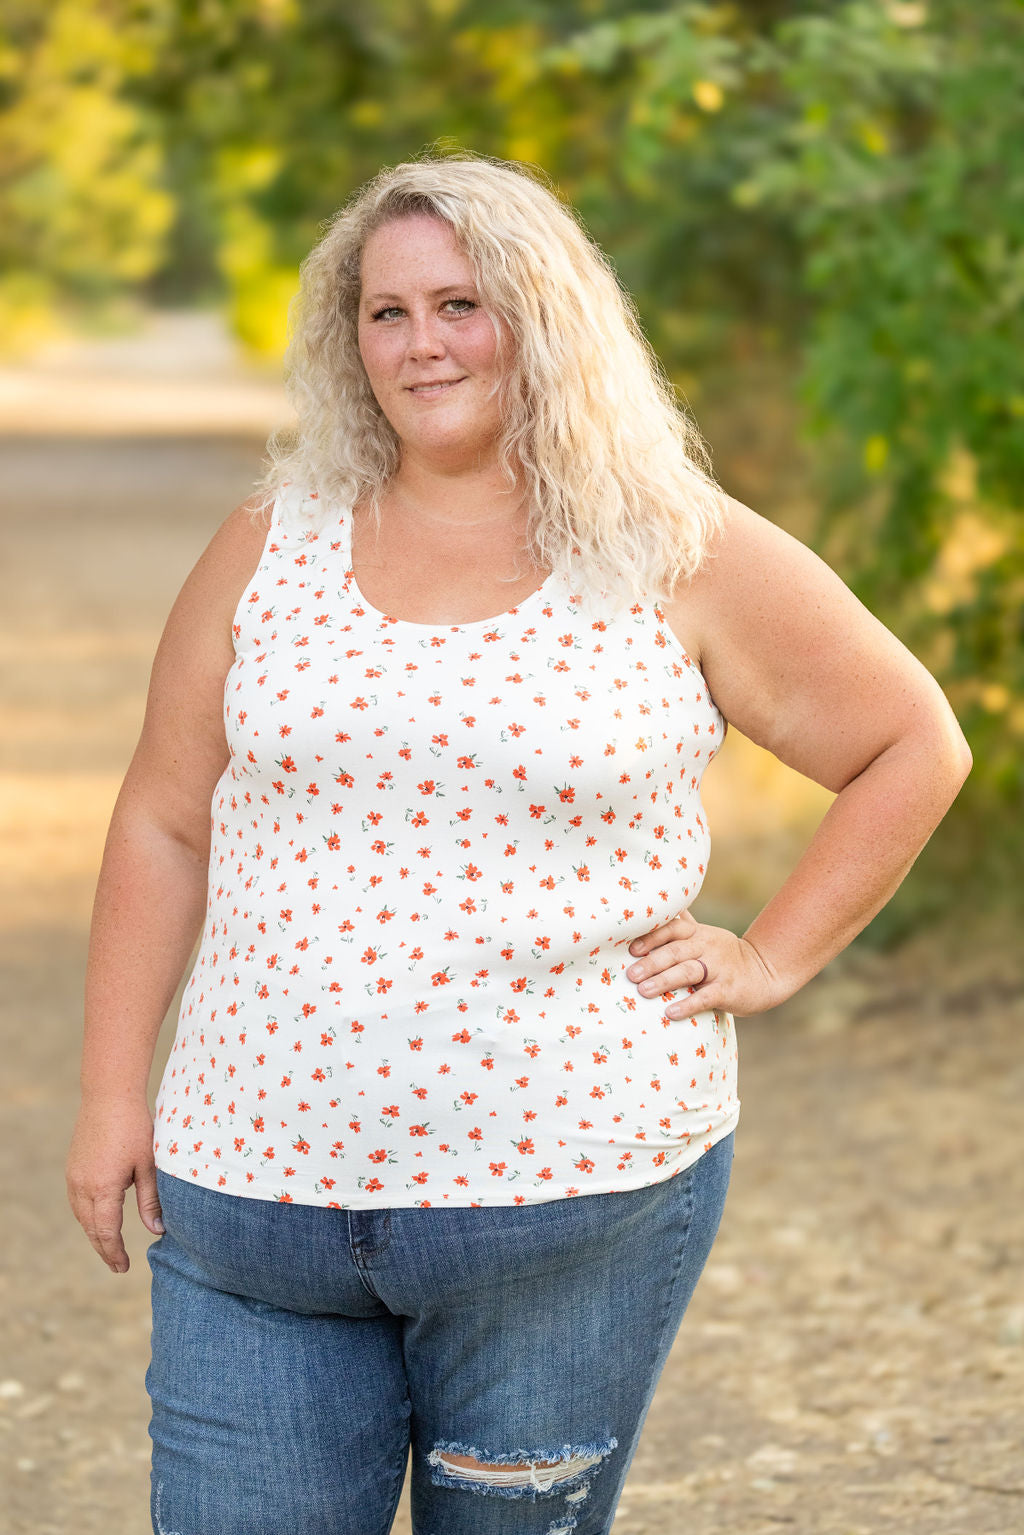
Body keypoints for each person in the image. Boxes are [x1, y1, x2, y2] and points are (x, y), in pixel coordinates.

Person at [66, 153, 971, 1535]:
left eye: (462, 304)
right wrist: (110, 1093)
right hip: (251, 1207)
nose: (422, 343)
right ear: (347, 337)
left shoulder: (675, 553)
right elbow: (164, 816)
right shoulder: (271, 544)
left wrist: (775, 955)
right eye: (386, 312)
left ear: (545, 318)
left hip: (565, 1211)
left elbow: (913, 744)